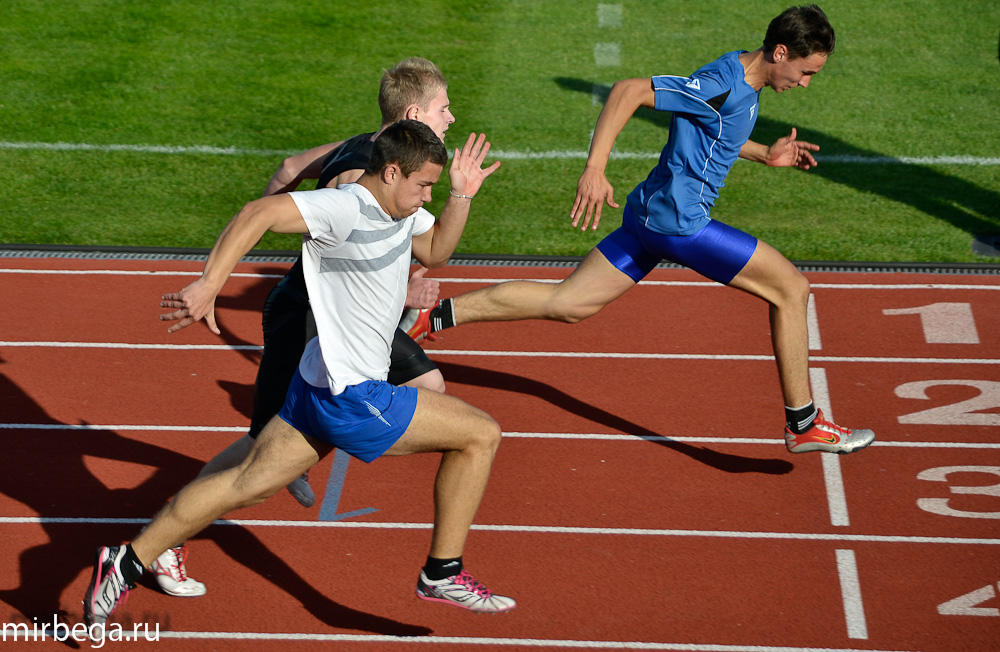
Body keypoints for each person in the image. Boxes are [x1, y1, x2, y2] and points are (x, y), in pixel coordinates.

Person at [83, 121, 514, 635]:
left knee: (244, 484)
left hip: (314, 385)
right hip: (352, 394)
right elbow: (257, 213)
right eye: (423, 185)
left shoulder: (404, 211)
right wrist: (209, 283)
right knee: (480, 434)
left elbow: (437, 250)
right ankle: (441, 572)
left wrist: (461, 194)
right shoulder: (344, 207)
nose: (427, 197)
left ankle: (125, 562)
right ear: (392, 171)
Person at [407, 5, 875, 455]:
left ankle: (431, 318)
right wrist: (595, 167)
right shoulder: (720, 81)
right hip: (678, 224)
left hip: (650, 218)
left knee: (567, 303)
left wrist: (763, 154)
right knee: (792, 288)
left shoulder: (742, 81)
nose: (806, 82)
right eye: (806, 71)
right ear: (779, 53)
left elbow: (715, 130)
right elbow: (628, 90)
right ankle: (804, 422)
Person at [147, 58, 458, 598]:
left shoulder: (379, 144)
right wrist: (246, 268)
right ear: (413, 113)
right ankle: (165, 546)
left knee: (428, 386)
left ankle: (300, 441)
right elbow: (312, 213)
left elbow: (291, 165)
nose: (451, 118)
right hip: (308, 317)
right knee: (255, 450)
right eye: (443, 108)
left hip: (348, 316)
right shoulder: (359, 165)